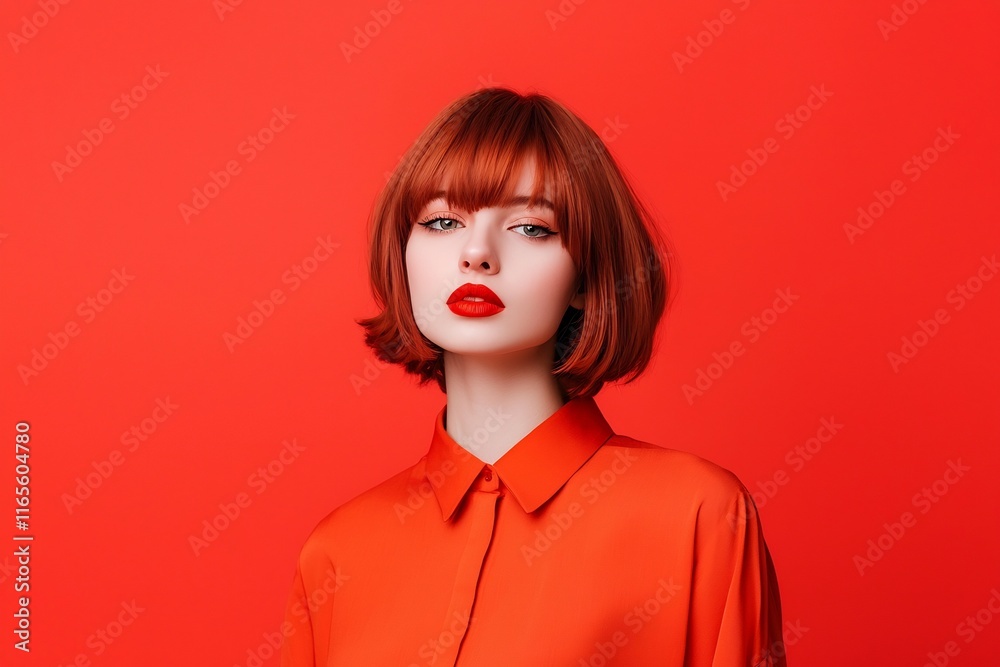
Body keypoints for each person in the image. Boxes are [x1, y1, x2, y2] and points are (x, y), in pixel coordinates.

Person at [279, 87, 786, 666]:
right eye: (442, 221)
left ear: (585, 277)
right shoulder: (337, 552)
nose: (477, 253)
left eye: (531, 228)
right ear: (403, 256)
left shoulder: (697, 514)